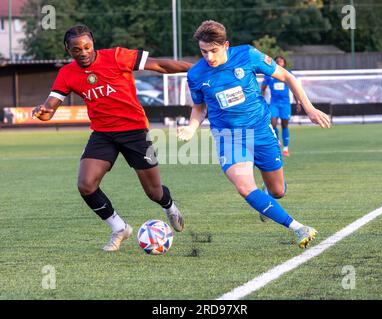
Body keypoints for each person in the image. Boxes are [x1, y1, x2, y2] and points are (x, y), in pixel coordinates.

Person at [32, 25, 190, 252]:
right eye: (76, 49)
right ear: (68, 50)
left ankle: (170, 206)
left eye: (87, 47)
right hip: (103, 134)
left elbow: (160, 65)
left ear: (93, 43)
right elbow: (48, 111)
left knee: (153, 192)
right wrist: (40, 111)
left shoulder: (117, 56)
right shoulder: (67, 74)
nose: (83, 52)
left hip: (135, 132)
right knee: (86, 185)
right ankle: (119, 228)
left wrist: (197, 69)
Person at [177, 20, 330, 249]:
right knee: (244, 186)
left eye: (214, 51)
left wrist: (308, 108)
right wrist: (191, 127)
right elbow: (199, 108)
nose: (209, 57)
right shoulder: (196, 74)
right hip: (229, 136)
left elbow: (287, 76)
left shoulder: (248, 55)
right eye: (203, 51)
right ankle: (299, 228)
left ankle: (267, 196)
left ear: (226, 45)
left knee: (278, 192)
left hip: (260, 131)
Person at [261, 56, 301, 157]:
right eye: (277, 61)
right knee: (273, 123)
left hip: (285, 104)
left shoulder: (288, 74)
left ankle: (286, 148)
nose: (279, 63)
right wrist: (261, 100)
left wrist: (298, 102)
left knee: (284, 125)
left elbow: (294, 88)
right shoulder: (269, 74)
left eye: (281, 61)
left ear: (284, 63)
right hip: (274, 103)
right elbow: (263, 88)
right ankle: (277, 140)